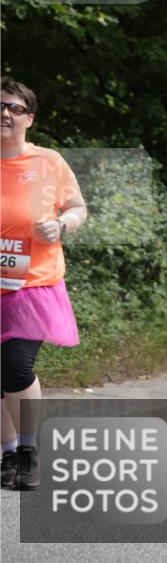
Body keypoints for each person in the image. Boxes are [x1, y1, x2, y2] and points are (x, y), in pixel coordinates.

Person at [1, 77, 88, 490]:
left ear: (28, 118)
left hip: (32, 283)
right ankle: (7, 454)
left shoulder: (48, 162)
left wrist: (61, 224)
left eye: (14, 108)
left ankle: (28, 451)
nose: (4, 113)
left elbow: (76, 206)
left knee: (15, 365)